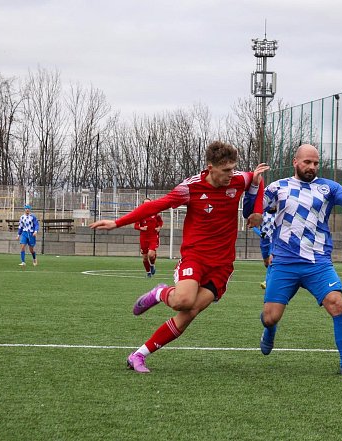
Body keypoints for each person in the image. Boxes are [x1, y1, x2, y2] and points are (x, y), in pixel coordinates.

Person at [90, 141, 267, 373]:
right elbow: (155, 206)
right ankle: (160, 292)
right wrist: (118, 222)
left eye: (233, 169)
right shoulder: (190, 188)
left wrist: (258, 212)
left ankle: (138, 355)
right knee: (182, 301)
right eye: (225, 170)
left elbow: (256, 179)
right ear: (210, 167)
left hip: (222, 265)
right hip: (195, 257)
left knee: (190, 312)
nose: (230, 175)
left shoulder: (238, 179)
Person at [244, 144, 342, 378]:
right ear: (295, 162)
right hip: (284, 262)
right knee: (270, 317)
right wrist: (254, 187)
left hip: (318, 263)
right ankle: (269, 329)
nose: (312, 167)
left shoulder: (328, 188)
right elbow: (251, 212)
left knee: (337, 303)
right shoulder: (278, 187)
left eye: (315, 163)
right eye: (307, 162)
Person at [134, 198, 164, 277]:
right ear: (142, 204)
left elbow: (160, 222)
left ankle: (152, 265)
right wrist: (141, 228)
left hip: (153, 237)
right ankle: (148, 272)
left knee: (151, 254)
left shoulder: (155, 213)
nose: (147, 205)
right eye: (145, 203)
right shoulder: (140, 214)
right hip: (143, 238)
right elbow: (135, 226)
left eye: (148, 203)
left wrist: (159, 227)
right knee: (145, 258)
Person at [251, 208, 276, 289]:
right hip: (264, 242)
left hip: (273, 241)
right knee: (266, 263)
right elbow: (253, 226)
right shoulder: (262, 214)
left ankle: (267, 281)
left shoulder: (279, 214)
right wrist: (261, 234)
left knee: (270, 261)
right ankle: (271, 274)